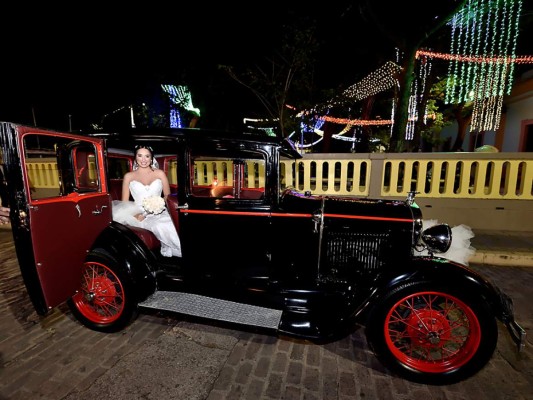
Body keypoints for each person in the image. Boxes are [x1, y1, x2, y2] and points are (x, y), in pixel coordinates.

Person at [112, 145, 182, 258]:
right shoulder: (128, 176)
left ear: (151, 158)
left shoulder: (160, 173)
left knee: (172, 223)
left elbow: (167, 196)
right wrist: (136, 214)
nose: (143, 159)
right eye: (140, 155)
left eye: (147, 156)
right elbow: (125, 202)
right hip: (138, 213)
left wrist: (158, 206)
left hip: (159, 210)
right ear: (135, 158)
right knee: (159, 225)